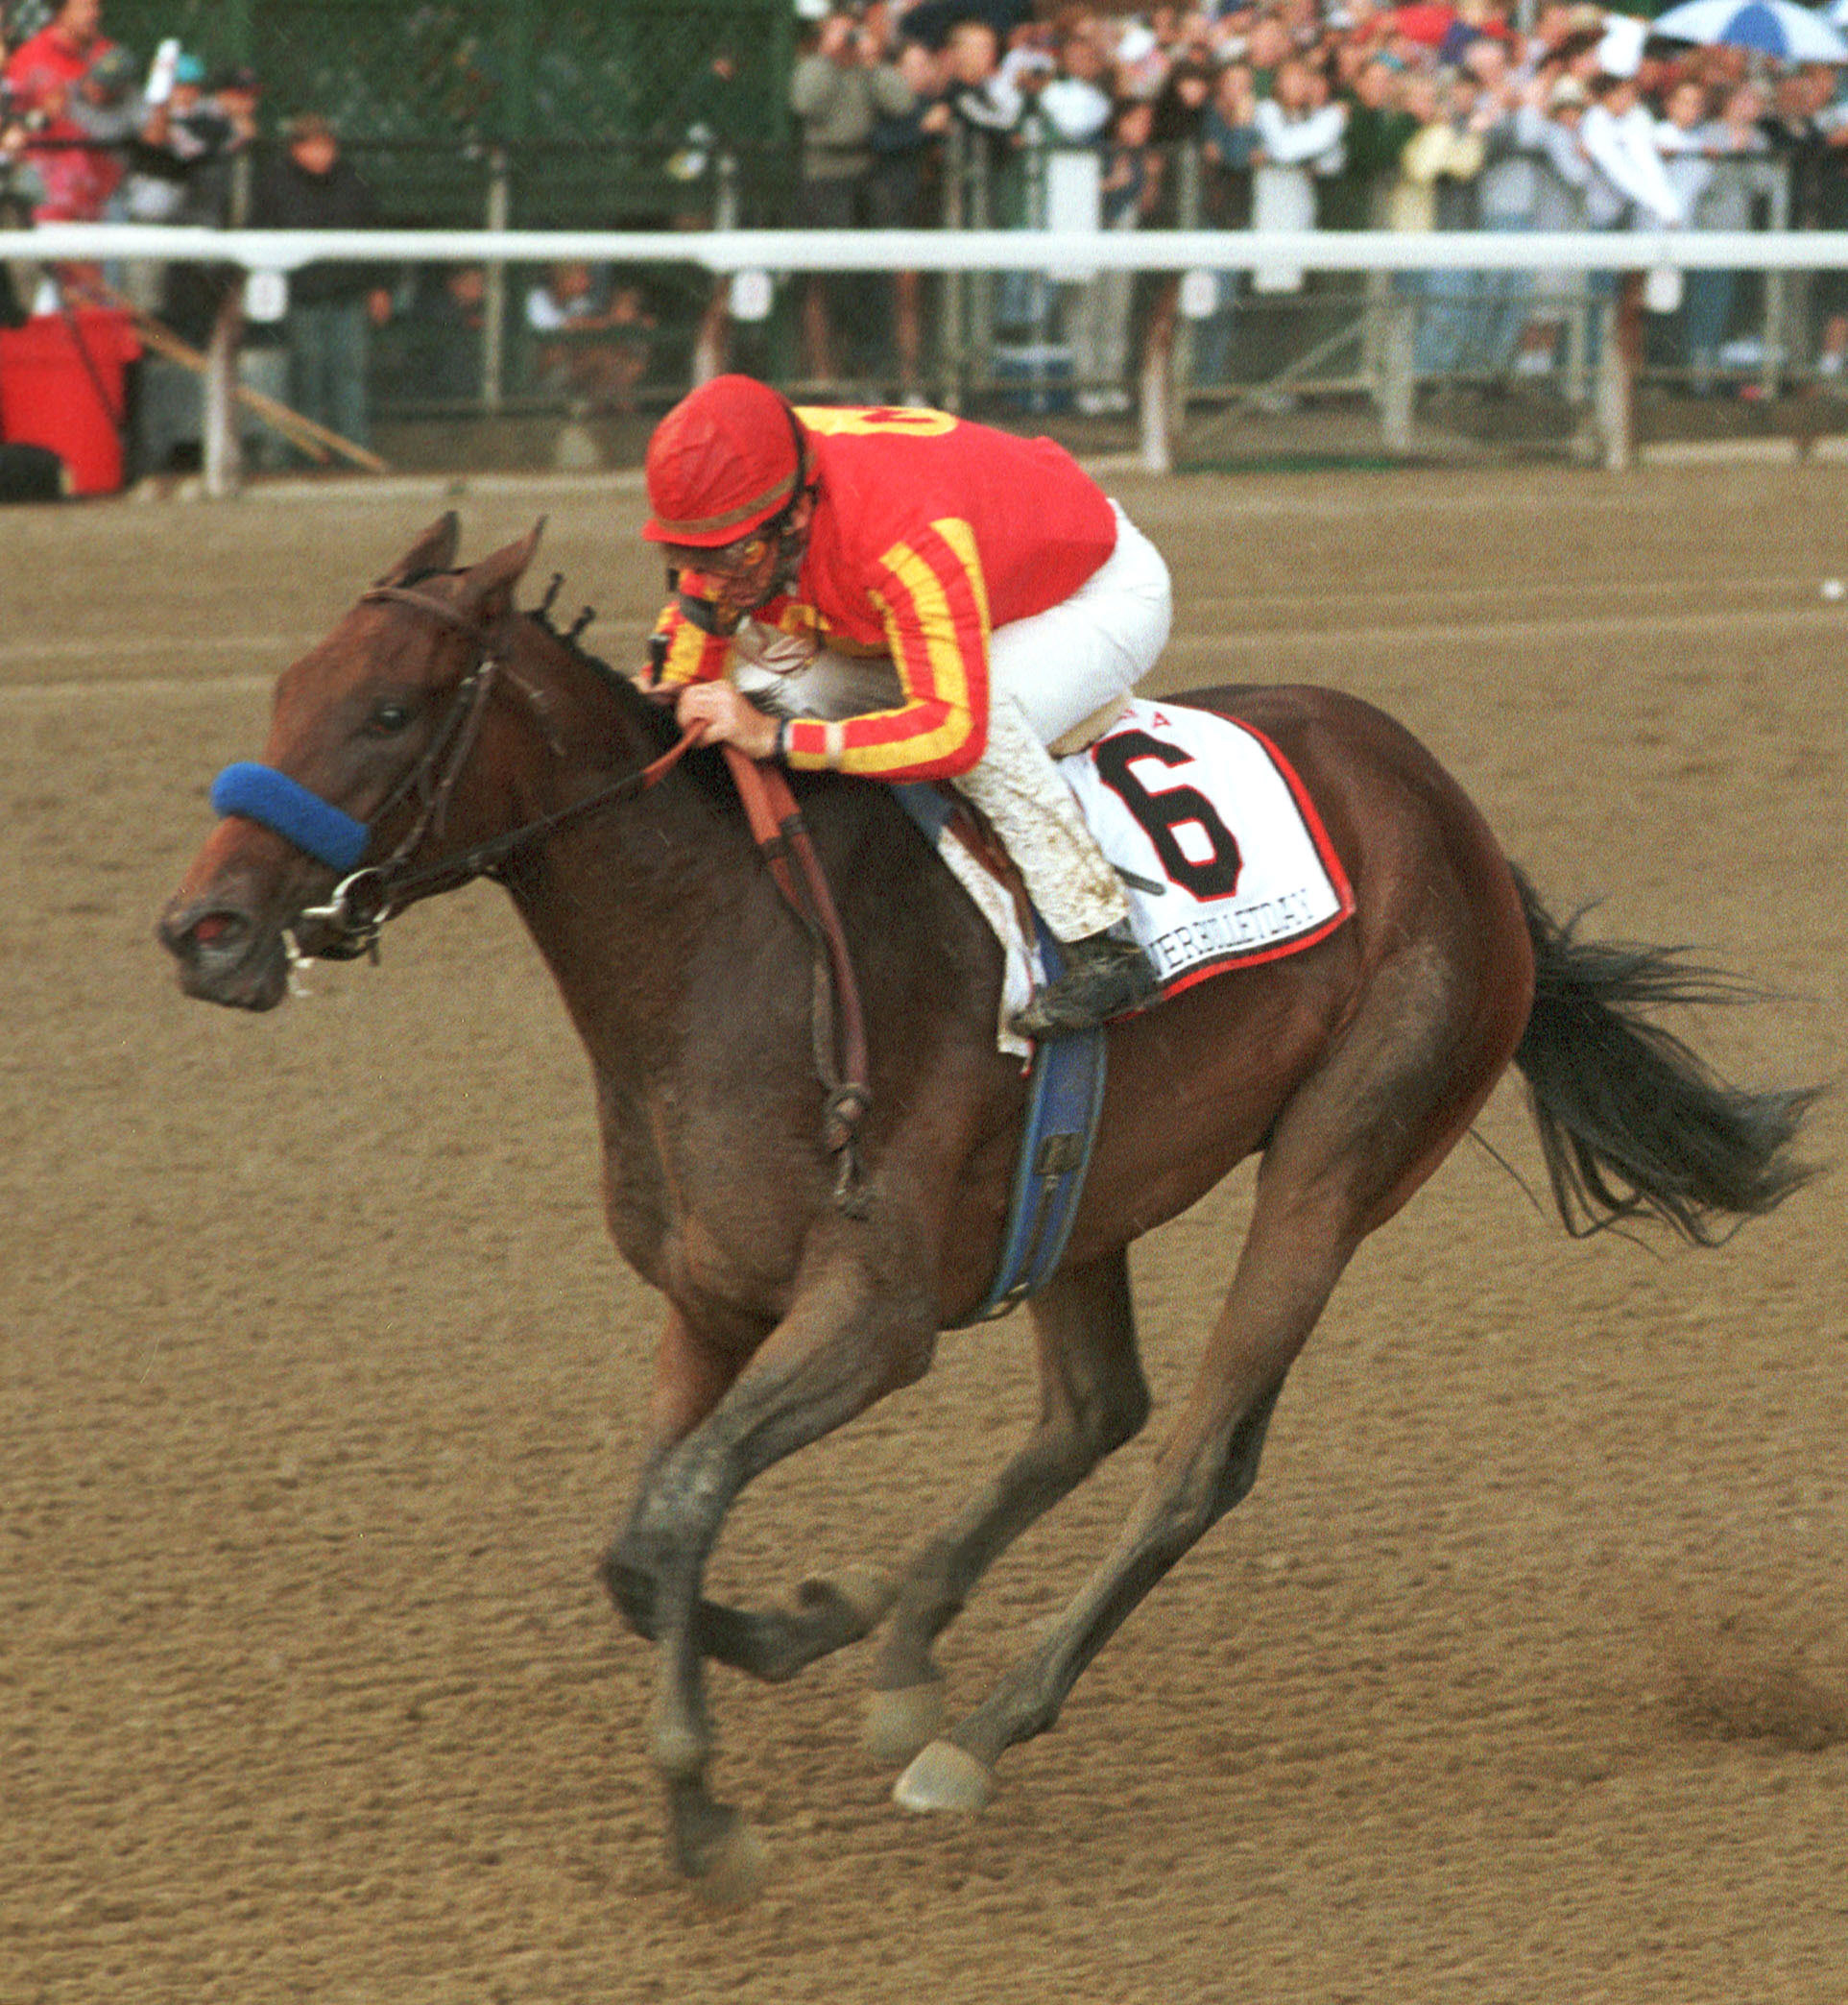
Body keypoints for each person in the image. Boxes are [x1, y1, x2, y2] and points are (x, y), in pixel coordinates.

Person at [638, 374, 1173, 1037]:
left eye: (733, 556)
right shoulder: (757, 480)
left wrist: (776, 738)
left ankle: (1105, 945)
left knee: (988, 720)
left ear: (796, 515)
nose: (713, 577)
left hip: (1090, 594)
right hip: (947, 587)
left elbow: (953, 733)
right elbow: (702, 602)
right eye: (690, 555)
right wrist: (673, 688)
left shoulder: (900, 531)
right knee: (774, 684)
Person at [250, 111, 391, 454]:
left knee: (350, 378)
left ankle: (353, 452)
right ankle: (307, 454)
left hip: (348, 297)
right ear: (295, 149)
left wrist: (378, 287)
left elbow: (374, 235)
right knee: (306, 380)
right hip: (302, 299)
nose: (321, 154)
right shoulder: (274, 184)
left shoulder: (352, 182)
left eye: (326, 146)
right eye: (312, 146)